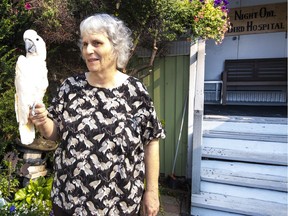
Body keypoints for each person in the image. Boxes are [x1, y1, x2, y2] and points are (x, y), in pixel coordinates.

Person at [29, 13, 165, 216]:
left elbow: (151, 140)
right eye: (85, 44)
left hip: (121, 205)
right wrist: (42, 121)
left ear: (116, 46)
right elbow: (55, 133)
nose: (88, 50)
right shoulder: (70, 87)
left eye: (96, 43)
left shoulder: (136, 92)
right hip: (69, 202)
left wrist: (152, 192)